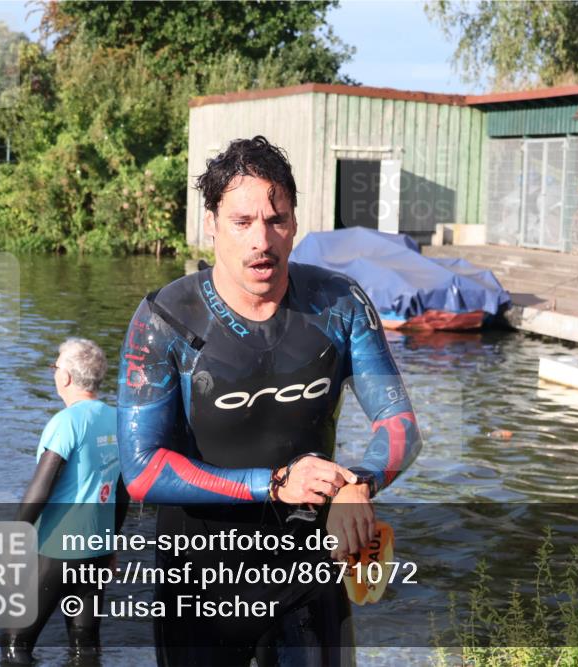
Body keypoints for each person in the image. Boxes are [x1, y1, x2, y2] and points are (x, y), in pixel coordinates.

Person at [117, 135, 422, 665]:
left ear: (295, 222)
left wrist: (359, 484)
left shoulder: (339, 304)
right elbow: (141, 471)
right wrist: (276, 484)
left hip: (309, 570)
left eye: (276, 219)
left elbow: (400, 425)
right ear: (211, 224)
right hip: (200, 576)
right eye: (242, 222)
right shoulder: (165, 319)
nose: (262, 239)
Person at [2, 338, 128, 665]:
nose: (54, 372)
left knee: (16, 644)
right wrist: (112, 545)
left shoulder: (66, 422)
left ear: (67, 377)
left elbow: (40, 489)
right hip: (97, 548)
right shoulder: (118, 420)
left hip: (57, 547)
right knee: (84, 643)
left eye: (55, 366)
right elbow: (122, 490)